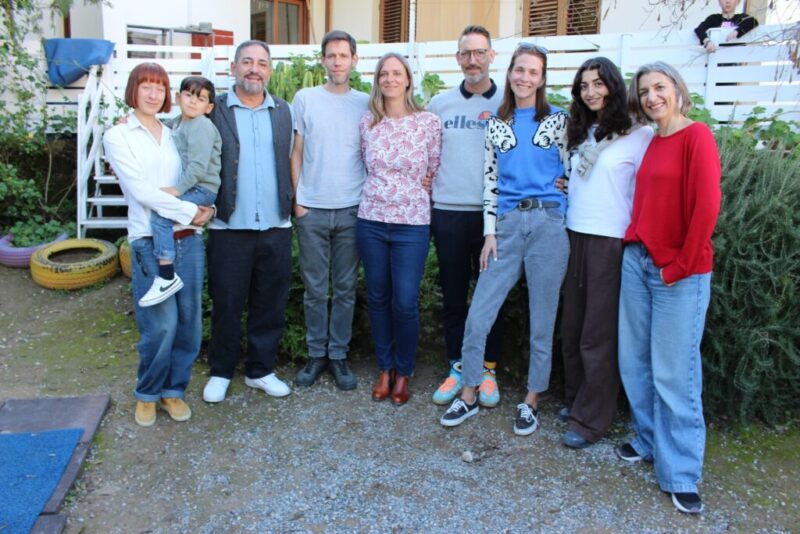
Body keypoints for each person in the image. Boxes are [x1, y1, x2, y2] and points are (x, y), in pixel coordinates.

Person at [440, 43, 569, 435]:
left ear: (542, 78)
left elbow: (576, 168)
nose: (525, 77)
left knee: (542, 319)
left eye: (533, 72)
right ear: (510, 72)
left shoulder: (560, 121)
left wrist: (567, 195)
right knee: (479, 314)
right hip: (507, 227)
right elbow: (491, 181)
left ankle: (531, 400)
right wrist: (489, 232)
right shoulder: (497, 121)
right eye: (520, 70)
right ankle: (468, 394)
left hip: (549, 225)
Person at [617, 61, 721, 514]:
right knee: (633, 361)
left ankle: (680, 472)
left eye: (659, 87)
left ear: (677, 89)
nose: (651, 97)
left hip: (679, 271)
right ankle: (647, 439)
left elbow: (706, 207)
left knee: (674, 373)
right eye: (644, 91)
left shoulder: (696, 136)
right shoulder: (652, 141)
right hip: (638, 262)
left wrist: (678, 267)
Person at [103, 62, 214, 427]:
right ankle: (148, 393)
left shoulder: (173, 131)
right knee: (160, 325)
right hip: (150, 242)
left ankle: (173, 391)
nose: (153, 94)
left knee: (188, 324)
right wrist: (189, 210)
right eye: (145, 86)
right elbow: (141, 191)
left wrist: (208, 209)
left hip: (189, 240)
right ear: (133, 90)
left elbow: (196, 173)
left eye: (160, 87)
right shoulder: (118, 136)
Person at [559, 57, 654, 449]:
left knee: (597, 334)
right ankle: (576, 398)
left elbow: (649, 191)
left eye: (598, 83)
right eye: (584, 86)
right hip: (574, 235)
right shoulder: (582, 130)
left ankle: (592, 419)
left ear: (613, 86)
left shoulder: (638, 134)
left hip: (610, 241)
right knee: (573, 328)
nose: (591, 91)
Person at [202, 40, 295, 404]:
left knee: (269, 302)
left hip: (275, 224)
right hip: (229, 226)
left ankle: (260, 370)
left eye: (261, 63)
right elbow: (181, 136)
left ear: (269, 70)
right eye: (247, 62)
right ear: (234, 68)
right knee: (226, 301)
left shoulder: (283, 111)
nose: (254, 69)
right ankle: (221, 371)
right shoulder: (215, 109)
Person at [427, 25, 505, 409]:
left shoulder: (510, 101)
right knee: (455, 296)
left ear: (491, 55)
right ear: (457, 59)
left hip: (494, 219)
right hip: (448, 214)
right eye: (465, 53)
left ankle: (487, 369)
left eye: (479, 52)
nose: (472, 60)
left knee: (490, 298)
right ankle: (458, 366)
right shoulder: (439, 104)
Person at [358, 52, 441, 406]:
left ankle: (404, 372)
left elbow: (434, 168)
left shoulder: (428, 122)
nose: (390, 79)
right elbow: (365, 164)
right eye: (384, 74)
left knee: (405, 302)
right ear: (378, 81)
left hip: (412, 224)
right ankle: (385, 369)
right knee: (377, 298)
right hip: (372, 219)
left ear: (408, 80)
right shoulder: (367, 123)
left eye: (397, 73)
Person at [290, 31, 368, 391]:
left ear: (354, 60)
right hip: (313, 210)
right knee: (315, 289)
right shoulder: (305, 98)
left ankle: (338, 355)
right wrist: (298, 200)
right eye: (331, 55)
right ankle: (315, 354)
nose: (337, 61)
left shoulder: (366, 103)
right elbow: (297, 151)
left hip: (352, 208)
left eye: (343, 55)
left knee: (347, 287)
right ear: (322, 60)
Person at [139, 75, 221, 308]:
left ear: (209, 107)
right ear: (178, 97)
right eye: (188, 95)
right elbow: (158, 129)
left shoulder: (202, 126)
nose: (193, 102)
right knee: (165, 215)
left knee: (162, 215)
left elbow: (198, 166)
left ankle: (166, 276)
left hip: (202, 188)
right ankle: (168, 269)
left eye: (201, 98)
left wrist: (177, 190)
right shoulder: (177, 123)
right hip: (192, 186)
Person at [694, 0, 758, 53]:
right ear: (719, 2)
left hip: (734, 61)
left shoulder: (740, 18)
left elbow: (753, 21)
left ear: (738, 2)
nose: (727, 1)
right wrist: (707, 41)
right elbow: (699, 29)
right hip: (715, 59)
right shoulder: (714, 18)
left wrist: (736, 31)